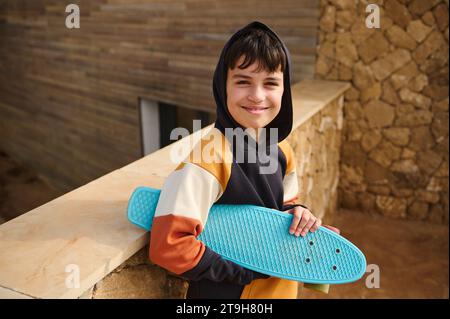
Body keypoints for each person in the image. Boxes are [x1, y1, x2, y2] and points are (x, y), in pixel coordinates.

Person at [149, 21, 340, 299]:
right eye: (243, 81)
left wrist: (299, 213)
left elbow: (284, 206)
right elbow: (168, 246)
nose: (257, 96)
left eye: (271, 83)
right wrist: (246, 270)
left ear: (284, 90)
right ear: (222, 86)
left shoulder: (282, 148)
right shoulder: (209, 158)